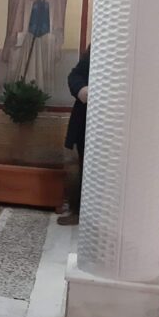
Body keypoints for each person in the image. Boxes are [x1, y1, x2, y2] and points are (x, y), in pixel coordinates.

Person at [61, 47, 89, 227]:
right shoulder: (101, 45)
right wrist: (82, 90)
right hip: (87, 119)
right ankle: (78, 211)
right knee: (84, 165)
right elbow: (75, 75)